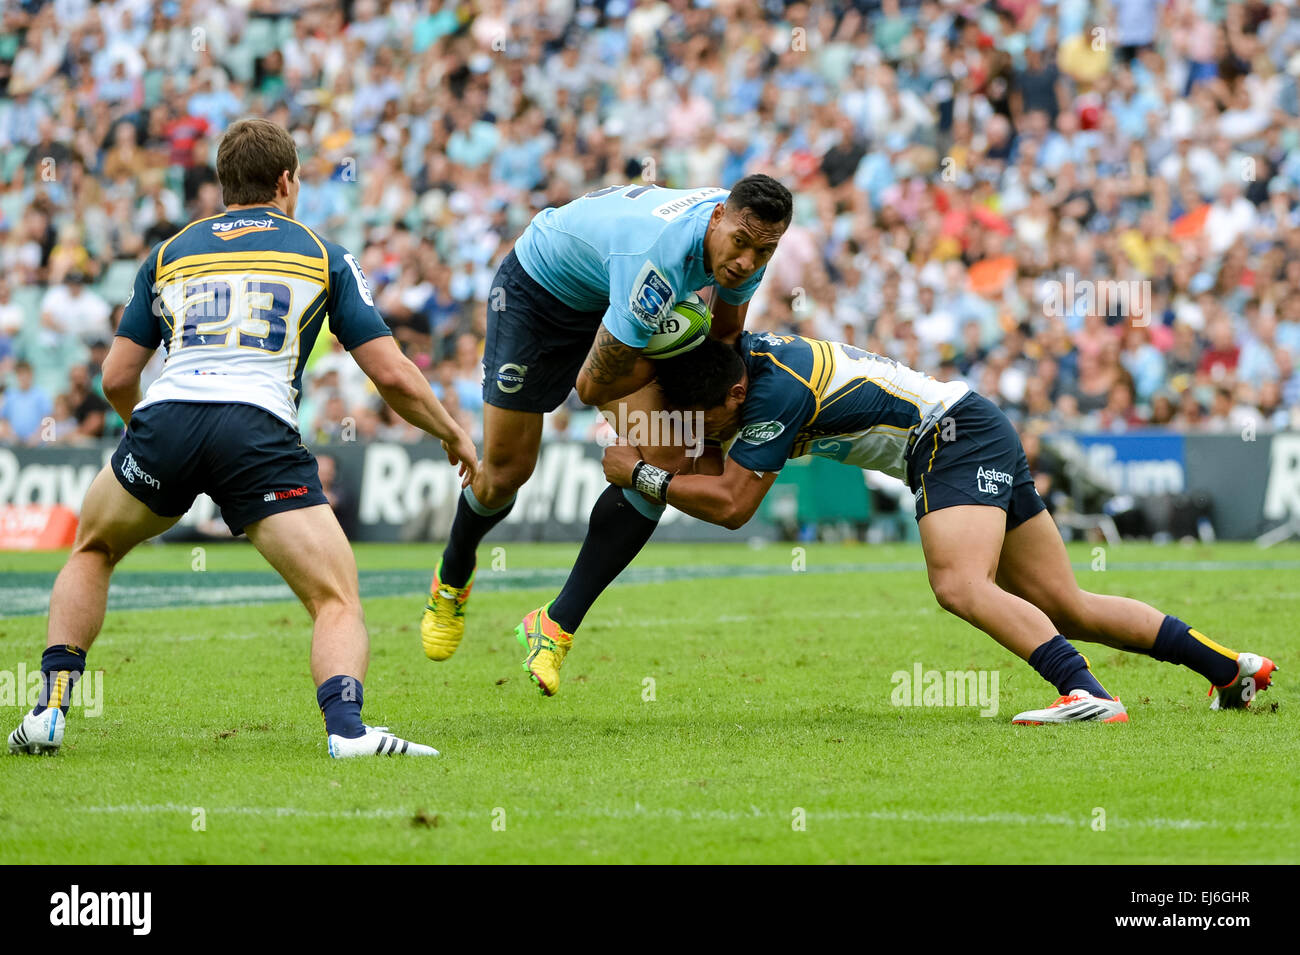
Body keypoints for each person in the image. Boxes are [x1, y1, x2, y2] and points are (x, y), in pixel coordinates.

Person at [8, 118, 478, 759]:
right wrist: (452, 433)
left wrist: (149, 434)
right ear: (286, 180)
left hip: (167, 417)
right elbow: (391, 374)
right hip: (257, 430)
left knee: (92, 550)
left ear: (225, 183)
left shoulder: (170, 252)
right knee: (334, 596)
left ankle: (49, 712)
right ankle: (347, 732)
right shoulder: (322, 253)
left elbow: (116, 375)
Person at [602, 335, 1276, 723]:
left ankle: (1088, 694)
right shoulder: (742, 367)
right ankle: (1229, 670)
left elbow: (731, 505)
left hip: (948, 439)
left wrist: (641, 474)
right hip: (970, 422)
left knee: (958, 583)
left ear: (736, 395)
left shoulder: (773, 394)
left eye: (711, 417)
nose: (709, 429)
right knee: (1067, 604)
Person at [421, 175, 792, 697]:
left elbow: (723, 339)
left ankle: (555, 626)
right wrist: (672, 354)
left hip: (615, 301)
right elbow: (592, 385)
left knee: (665, 459)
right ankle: (453, 571)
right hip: (538, 298)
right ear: (716, 220)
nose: (747, 262)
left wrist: (698, 419)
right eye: (741, 244)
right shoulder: (658, 260)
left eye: (764, 250)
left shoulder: (742, 239)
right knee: (506, 474)